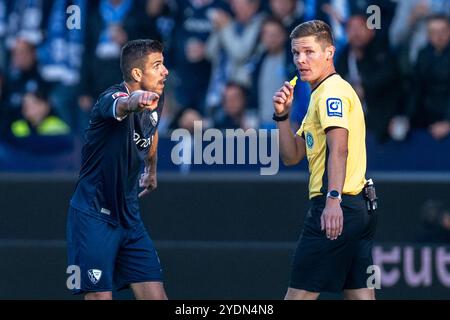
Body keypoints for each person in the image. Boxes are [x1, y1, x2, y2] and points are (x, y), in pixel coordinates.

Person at [272, 20, 376, 300]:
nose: (301, 60)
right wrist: (282, 116)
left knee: (298, 296)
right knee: (360, 295)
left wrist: (332, 201)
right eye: (296, 53)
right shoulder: (320, 94)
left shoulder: (331, 92)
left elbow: (338, 148)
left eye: (309, 52)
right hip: (357, 207)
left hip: (336, 206)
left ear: (329, 52)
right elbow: (292, 156)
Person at [67, 39, 169, 300]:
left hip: (129, 216)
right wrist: (137, 99)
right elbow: (125, 104)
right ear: (137, 74)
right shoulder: (110, 99)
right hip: (94, 215)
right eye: (158, 65)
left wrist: (151, 168)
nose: (165, 71)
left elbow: (151, 129)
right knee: (100, 297)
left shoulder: (158, 94)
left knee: (156, 296)